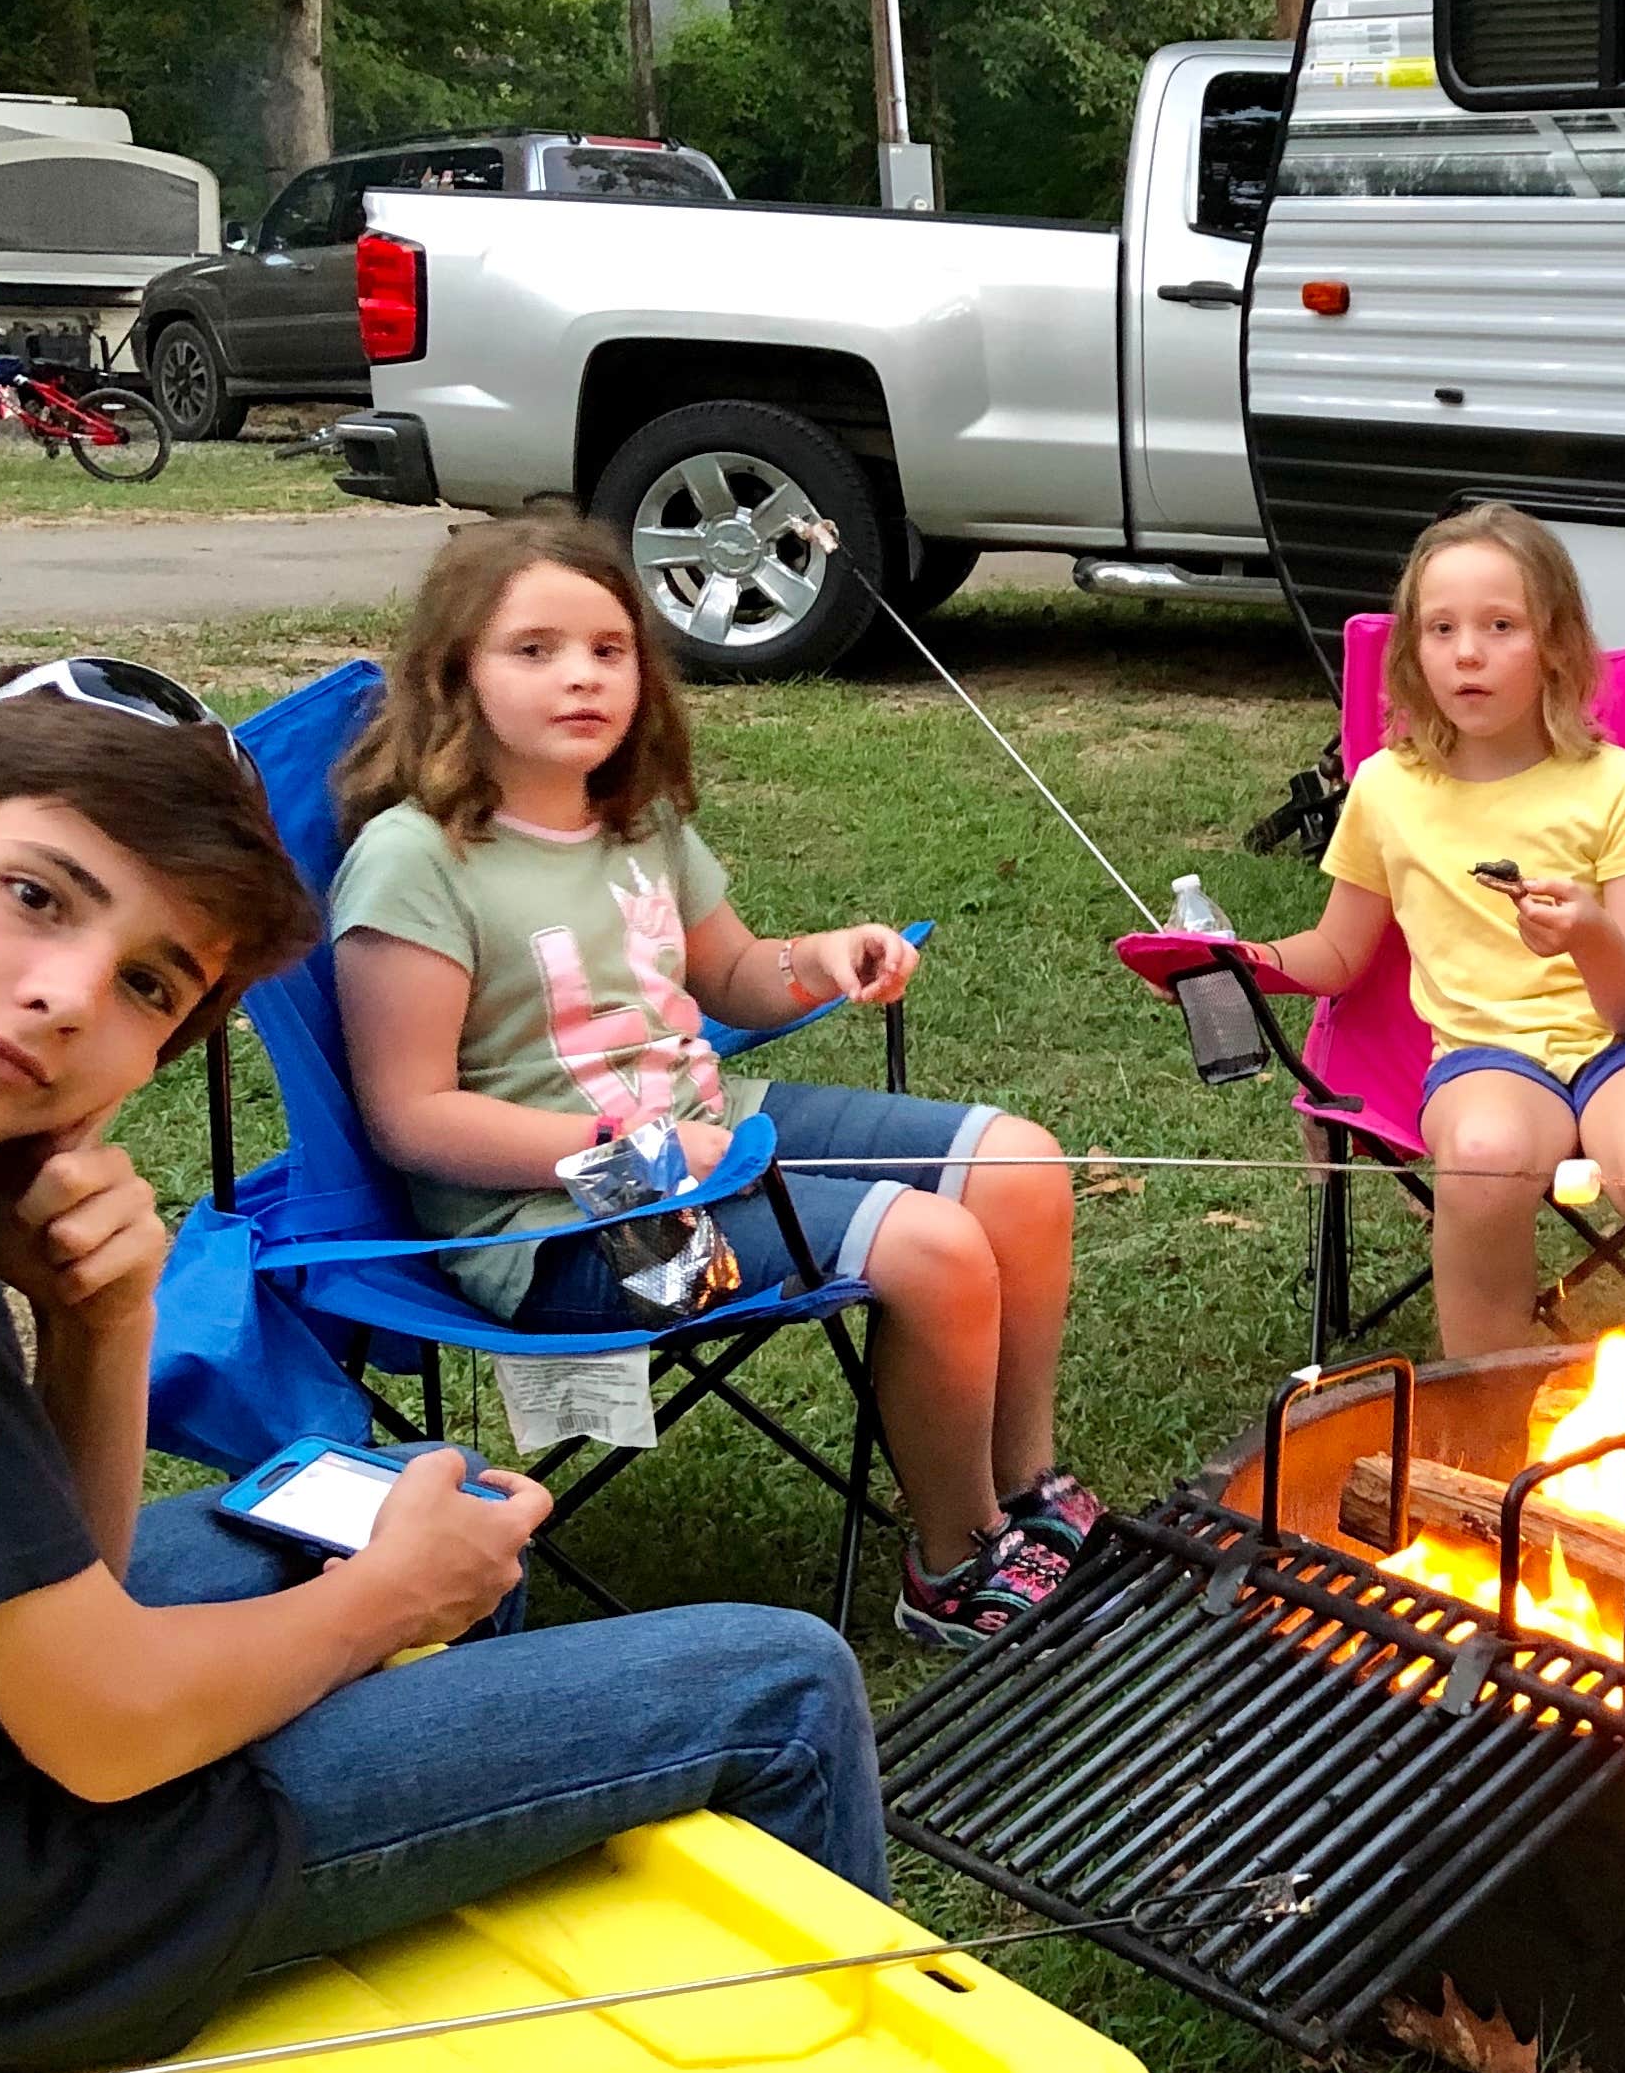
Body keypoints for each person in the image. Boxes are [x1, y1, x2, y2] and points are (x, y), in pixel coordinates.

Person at [0, 655, 886, 2073]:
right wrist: (389, 1601)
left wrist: (103, 1327)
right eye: (36, 895)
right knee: (774, 1685)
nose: (62, 999)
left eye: (147, 984)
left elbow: (65, 1592)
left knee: (426, 1500)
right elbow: (101, 1731)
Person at [329, 512, 1095, 1646]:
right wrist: (624, 1153)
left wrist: (820, 958)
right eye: (532, 650)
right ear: (455, 675)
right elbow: (409, 1118)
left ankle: (1026, 1489)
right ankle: (954, 1563)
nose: (580, 676)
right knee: (930, 1249)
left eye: (608, 648)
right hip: (558, 1229)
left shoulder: (635, 824)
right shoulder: (415, 861)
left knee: (1019, 1166)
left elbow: (732, 973)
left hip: (707, 1134)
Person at [1197, 501, 1625, 1356]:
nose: (1466, 652)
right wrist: (1243, 959)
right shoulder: (1387, 789)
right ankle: (1486, 1406)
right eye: (1440, 629)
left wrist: (1589, 935)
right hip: (1489, 1057)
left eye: (1500, 625)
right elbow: (1336, 954)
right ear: (1412, 653)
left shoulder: (1617, 787)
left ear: (1556, 645)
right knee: (1480, 1156)